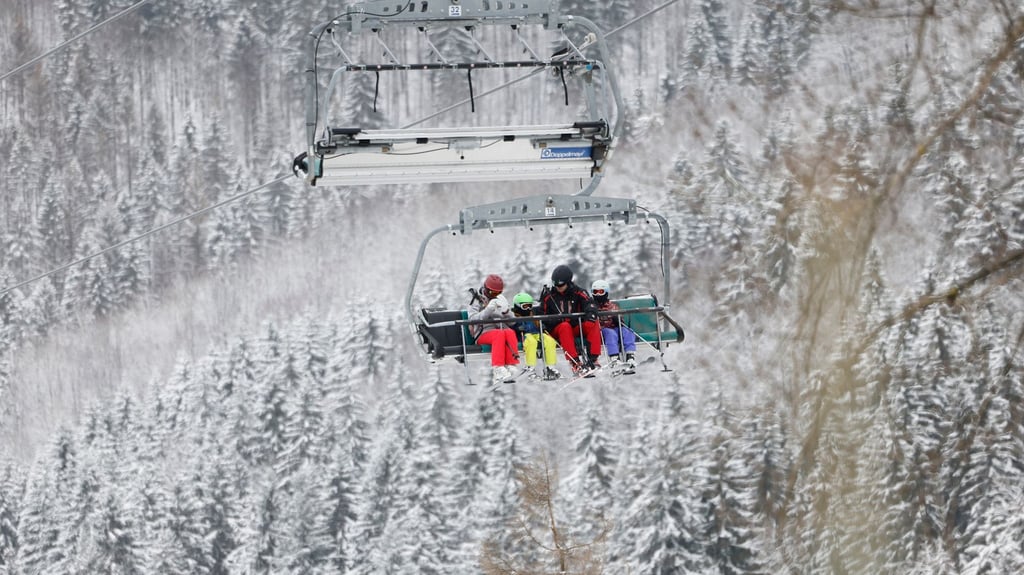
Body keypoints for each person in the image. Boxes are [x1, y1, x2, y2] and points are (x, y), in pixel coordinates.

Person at [539, 264, 601, 375]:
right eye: (555, 284)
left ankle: (593, 359)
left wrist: (591, 314)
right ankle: (575, 363)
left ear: (568, 282)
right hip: (557, 330)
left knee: (593, 322)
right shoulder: (549, 296)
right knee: (564, 326)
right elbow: (541, 313)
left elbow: (590, 304)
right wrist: (555, 321)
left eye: (561, 285)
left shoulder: (578, 292)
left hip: (574, 327)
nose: (558, 287)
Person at [468, 274, 519, 384]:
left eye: (498, 293)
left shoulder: (500, 301)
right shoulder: (476, 302)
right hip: (482, 333)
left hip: (500, 330)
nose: (495, 296)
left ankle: (510, 364)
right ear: (486, 289)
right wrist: (488, 310)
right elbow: (472, 319)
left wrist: (506, 312)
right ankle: (498, 369)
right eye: (492, 293)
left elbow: (512, 322)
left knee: (509, 332)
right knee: (499, 334)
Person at [511, 292, 561, 381]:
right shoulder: (514, 316)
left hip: (536, 333)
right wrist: (517, 328)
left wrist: (541, 325)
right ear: (517, 306)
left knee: (550, 341)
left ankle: (550, 367)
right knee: (531, 342)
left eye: (530, 306)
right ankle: (530, 368)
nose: (528, 309)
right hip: (525, 335)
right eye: (525, 306)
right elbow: (510, 326)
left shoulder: (533, 314)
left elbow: (541, 313)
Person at [591, 279, 637, 371]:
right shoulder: (591, 306)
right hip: (601, 331)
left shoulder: (612, 306)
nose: (598, 295)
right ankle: (614, 358)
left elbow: (621, 319)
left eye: (601, 292)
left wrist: (618, 320)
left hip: (614, 328)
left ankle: (630, 356)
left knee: (627, 331)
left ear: (606, 292)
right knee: (610, 333)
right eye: (595, 292)